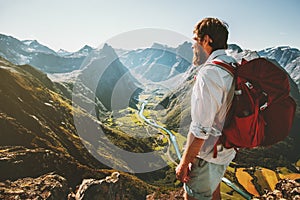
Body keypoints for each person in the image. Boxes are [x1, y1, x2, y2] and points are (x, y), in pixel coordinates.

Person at [175, 17, 237, 200]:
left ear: (206, 40)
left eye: (195, 39)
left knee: (193, 196)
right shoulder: (232, 65)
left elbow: (201, 128)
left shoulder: (210, 73)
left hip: (209, 153)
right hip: (226, 150)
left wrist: (184, 163)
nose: (192, 45)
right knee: (212, 191)